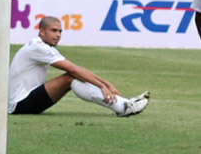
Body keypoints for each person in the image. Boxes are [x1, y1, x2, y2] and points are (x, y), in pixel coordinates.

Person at [8, 16, 150, 117]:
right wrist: (102, 86)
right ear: (42, 32)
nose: (58, 35)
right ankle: (122, 107)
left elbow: (75, 68)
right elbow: (73, 70)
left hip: (26, 99)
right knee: (70, 78)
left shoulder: (45, 46)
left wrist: (107, 84)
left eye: (60, 31)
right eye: (54, 30)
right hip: (19, 104)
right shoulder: (37, 47)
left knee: (73, 76)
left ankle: (124, 103)